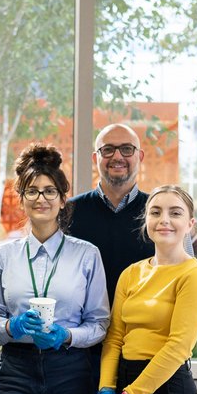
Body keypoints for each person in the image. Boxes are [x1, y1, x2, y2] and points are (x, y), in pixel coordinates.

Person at [0, 144, 110, 394]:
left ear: (63, 199)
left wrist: (66, 335)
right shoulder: (4, 256)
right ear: (21, 199)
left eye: (50, 191)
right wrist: (10, 327)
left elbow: (100, 324)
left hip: (70, 370)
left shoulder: (87, 255)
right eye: (32, 191)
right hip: (17, 370)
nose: (41, 198)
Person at [95, 184, 197, 394]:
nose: (164, 220)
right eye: (155, 212)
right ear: (146, 220)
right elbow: (114, 337)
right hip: (125, 386)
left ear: (190, 224)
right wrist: (107, 388)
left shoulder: (195, 275)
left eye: (175, 213)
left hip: (166, 391)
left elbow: (179, 346)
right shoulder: (131, 273)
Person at [67, 123, 152, 302]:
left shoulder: (159, 213)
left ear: (140, 156)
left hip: (143, 319)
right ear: (95, 158)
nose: (117, 156)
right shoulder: (68, 212)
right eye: (108, 150)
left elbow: (183, 272)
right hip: (81, 319)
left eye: (127, 149)